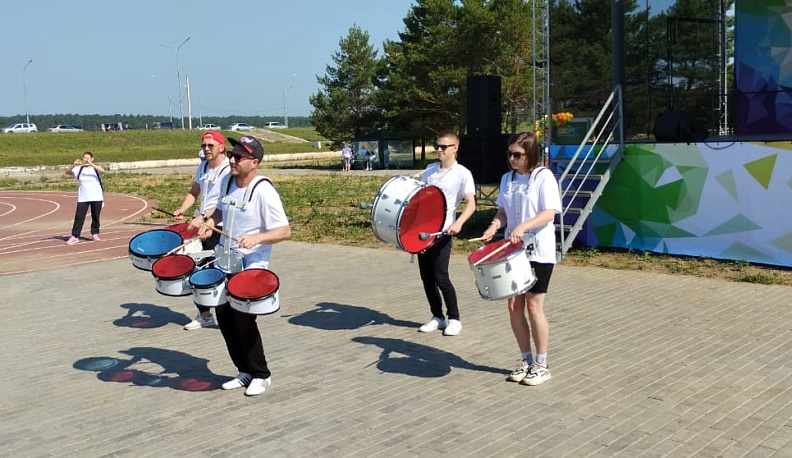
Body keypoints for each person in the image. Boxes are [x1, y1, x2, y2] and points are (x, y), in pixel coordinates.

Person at [199, 135, 291, 397]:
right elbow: (219, 211)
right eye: (232, 155)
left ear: (254, 162)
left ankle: (261, 374)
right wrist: (207, 221)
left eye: (238, 157)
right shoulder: (228, 181)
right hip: (224, 257)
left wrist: (257, 238)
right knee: (224, 317)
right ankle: (243, 370)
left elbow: (284, 231)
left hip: (251, 263)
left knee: (243, 320)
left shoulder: (264, 191)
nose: (232, 160)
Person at [480, 132, 562, 386]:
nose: (512, 159)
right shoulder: (507, 179)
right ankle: (526, 359)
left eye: (518, 155)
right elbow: (503, 211)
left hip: (539, 251)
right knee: (514, 306)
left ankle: (542, 363)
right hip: (513, 250)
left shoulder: (543, 176)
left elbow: (549, 212)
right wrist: (494, 226)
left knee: (533, 306)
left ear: (531, 154)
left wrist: (524, 226)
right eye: (510, 154)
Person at [416, 130, 476, 336]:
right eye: (437, 146)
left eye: (444, 147)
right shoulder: (429, 170)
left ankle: (454, 318)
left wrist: (459, 223)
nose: (439, 150)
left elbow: (471, 203)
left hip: (443, 232)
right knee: (426, 277)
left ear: (455, 148)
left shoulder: (462, 173)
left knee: (441, 276)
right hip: (422, 232)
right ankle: (437, 317)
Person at [173, 130, 231, 331]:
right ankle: (205, 315)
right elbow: (194, 191)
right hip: (202, 225)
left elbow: (223, 202)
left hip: (220, 228)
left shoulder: (227, 170)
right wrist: (183, 208)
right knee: (199, 268)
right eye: (203, 145)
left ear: (221, 148)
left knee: (218, 271)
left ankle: (227, 315)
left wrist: (205, 218)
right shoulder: (203, 166)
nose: (206, 149)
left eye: (210, 146)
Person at [65, 151, 105, 245]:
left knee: (95, 216)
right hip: (83, 197)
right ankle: (74, 236)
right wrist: (73, 165)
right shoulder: (79, 169)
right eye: (84, 158)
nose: (86, 160)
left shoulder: (96, 169)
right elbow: (67, 172)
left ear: (92, 158)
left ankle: (95, 233)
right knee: (79, 216)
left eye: (88, 158)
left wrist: (92, 164)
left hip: (96, 196)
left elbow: (103, 171)